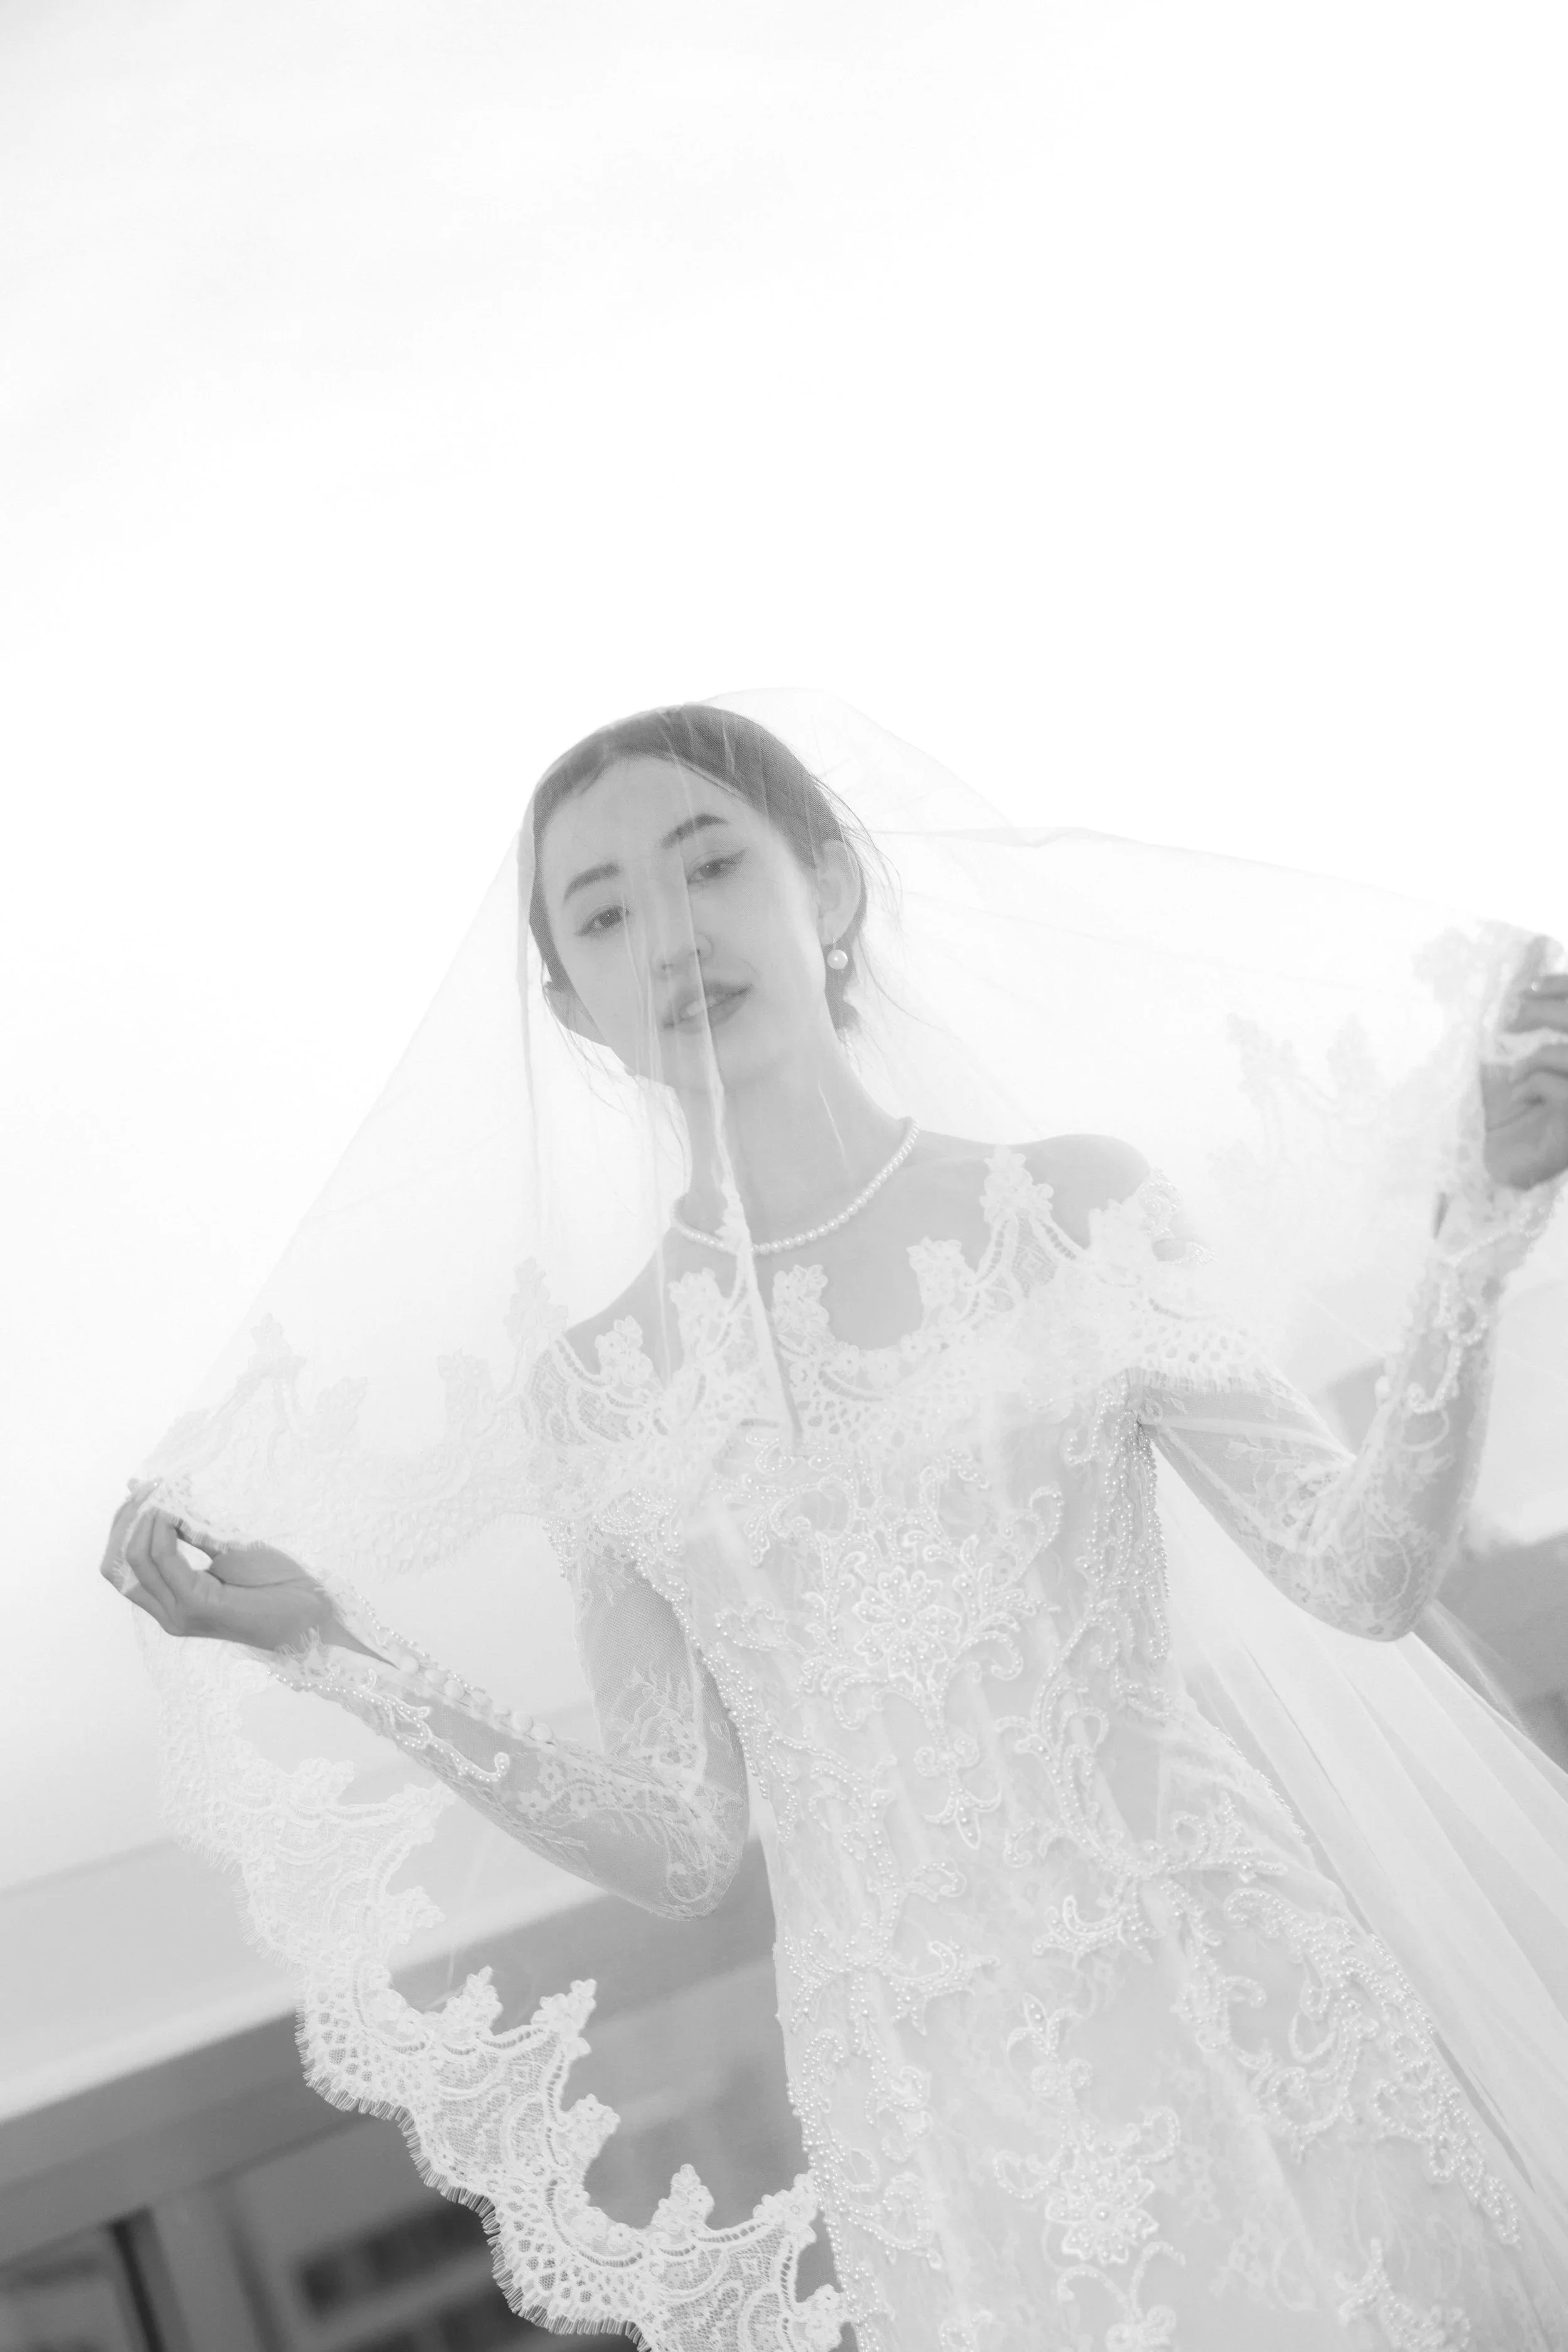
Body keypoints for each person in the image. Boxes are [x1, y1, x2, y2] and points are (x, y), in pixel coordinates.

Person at [101, 699, 1568, 2351]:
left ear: (831, 891)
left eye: (708, 861)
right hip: (934, 2123)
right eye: (600, 911)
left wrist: (1472, 1240)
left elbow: (1358, 1570)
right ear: (573, 1011)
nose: (670, 929)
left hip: (1235, 2008)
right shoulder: (596, 1391)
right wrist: (329, 1649)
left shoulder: (1071, 1206)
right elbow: (681, 1841)